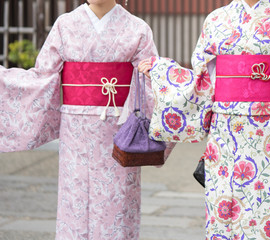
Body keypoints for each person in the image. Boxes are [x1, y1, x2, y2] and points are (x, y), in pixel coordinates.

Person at [139, 0, 270, 239]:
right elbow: (202, 83)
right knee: (224, 216)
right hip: (225, 135)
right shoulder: (217, 19)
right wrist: (162, 72)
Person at [0, 0, 174, 239]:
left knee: (117, 202)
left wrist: (153, 72)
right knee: (75, 198)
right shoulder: (65, 25)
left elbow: (154, 85)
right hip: (76, 130)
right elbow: (42, 78)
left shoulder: (137, 28)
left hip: (119, 129)